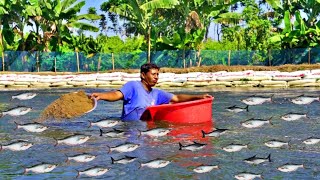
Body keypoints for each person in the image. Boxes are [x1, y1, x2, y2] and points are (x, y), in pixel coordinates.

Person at [91, 63, 212, 121]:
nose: (156, 77)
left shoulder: (158, 93)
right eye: (153, 74)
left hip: (147, 129)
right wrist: (101, 96)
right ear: (143, 75)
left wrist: (199, 97)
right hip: (130, 128)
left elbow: (177, 98)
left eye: (158, 74)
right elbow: (116, 94)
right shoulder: (133, 86)